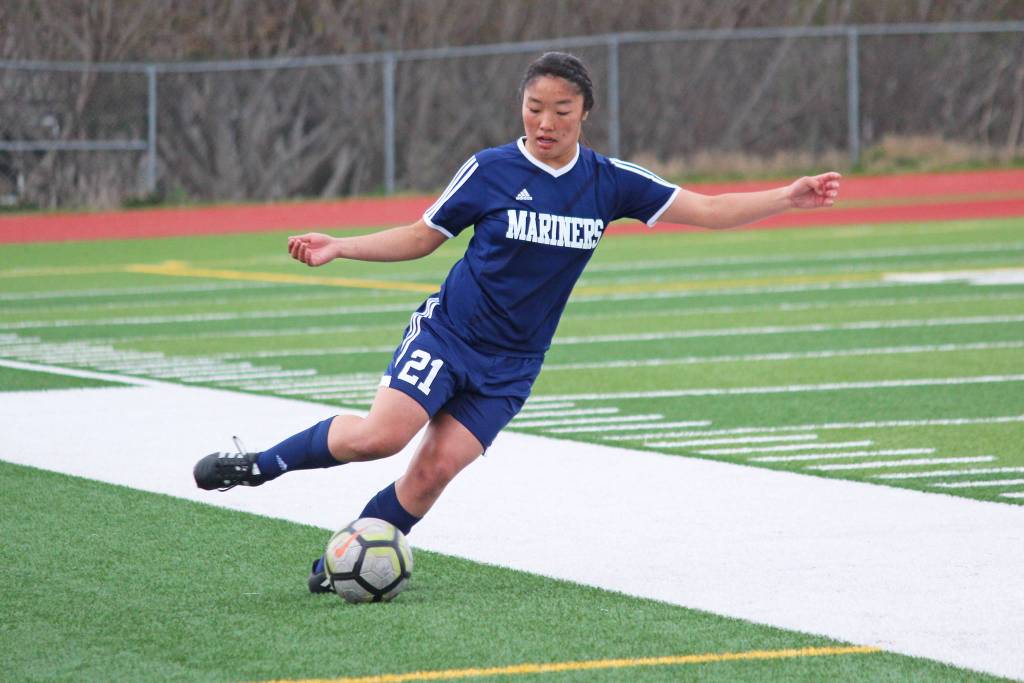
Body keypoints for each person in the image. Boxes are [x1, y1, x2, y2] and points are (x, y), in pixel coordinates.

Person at [193, 51, 841, 592]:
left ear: (584, 113)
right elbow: (424, 236)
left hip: (512, 367)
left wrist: (788, 195)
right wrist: (342, 244)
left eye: (561, 110)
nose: (546, 121)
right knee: (381, 438)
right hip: (449, 335)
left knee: (433, 470)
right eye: (535, 108)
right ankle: (258, 464)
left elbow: (706, 208)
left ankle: (340, 566)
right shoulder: (492, 169)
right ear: (520, 110)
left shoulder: (609, 181)